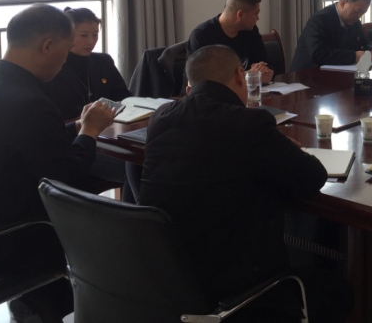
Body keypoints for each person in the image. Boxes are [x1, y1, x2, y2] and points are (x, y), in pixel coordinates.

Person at [140, 45, 352, 322]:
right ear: (240, 76)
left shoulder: (160, 118)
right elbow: (313, 177)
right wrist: (286, 147)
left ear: (190, 87)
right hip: (235, 288)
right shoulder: (249, 123)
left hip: (168, 276)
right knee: (341, 291)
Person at [0, 4, 116, 323]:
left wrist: (75, 127)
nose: (64, 63)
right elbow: (66, 178)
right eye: (65, 52)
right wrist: (91, 132)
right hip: (18, 239)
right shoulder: (30, 102)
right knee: (114, 238)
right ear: (48, 46)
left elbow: (22, 144)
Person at [44, 8, 131, 120]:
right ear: (67, 36)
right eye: (84, 35)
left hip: (110, 123)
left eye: (95, 35)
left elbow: (124, 97)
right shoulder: (53, 67)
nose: (91, 41)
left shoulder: (104, 61)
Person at [186, 0, 274, 84]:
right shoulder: (202, 36)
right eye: (256, 14)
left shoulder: (250, 31)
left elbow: (264, 63)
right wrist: (247, 75)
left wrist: (265, 73)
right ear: (240, 15)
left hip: (244, 90)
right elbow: (202, 81)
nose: (258, 18)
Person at [290, 0, 372, 71]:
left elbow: (364, 40)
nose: (359, 16)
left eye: (362, 13)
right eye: (357, 11)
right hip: (307, 76)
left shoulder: (354, 22)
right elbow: (318, 54)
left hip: (337, 75)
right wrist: (354, 56)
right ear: (343, 3)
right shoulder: (319, 20)